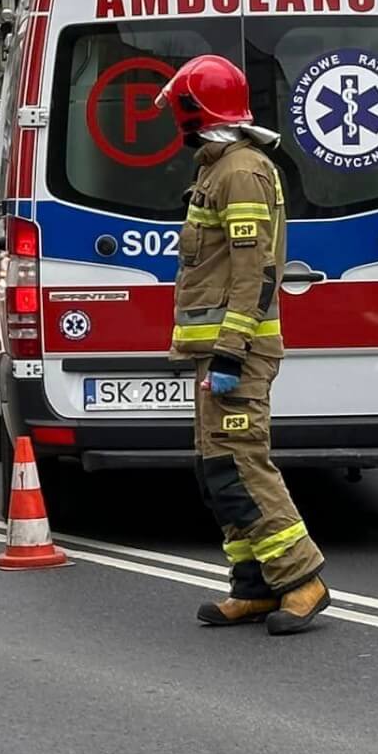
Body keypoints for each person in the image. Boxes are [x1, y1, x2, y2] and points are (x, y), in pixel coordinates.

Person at [156, 54, 329, 635]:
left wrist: (231, 350)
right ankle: (254, 585)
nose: (174, 124)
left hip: (240, 353)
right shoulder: (218, 167)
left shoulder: (241, 170)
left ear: (196, 111)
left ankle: (301, 578)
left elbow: (257, 271)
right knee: (218, 470)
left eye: (179, 110)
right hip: (219, 354)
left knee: (243, 464)